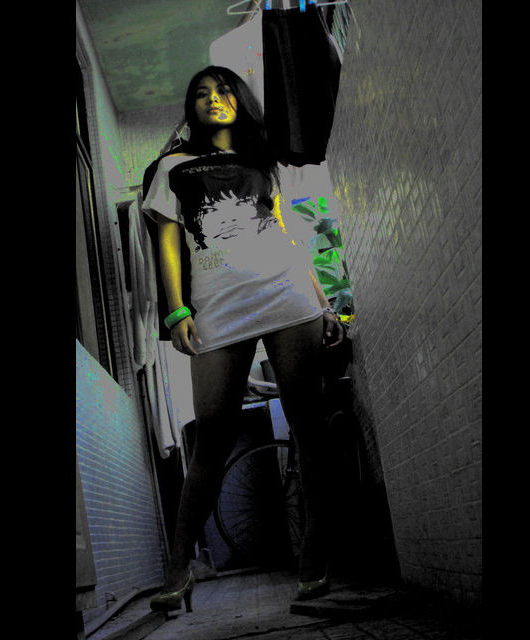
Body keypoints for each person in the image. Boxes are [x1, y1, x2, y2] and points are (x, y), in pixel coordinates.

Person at [142, 65, 344, 614]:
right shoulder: (173, 166)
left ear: (240, 100)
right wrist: (177, 311)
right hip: (219, 307)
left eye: (223, 90)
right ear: (192, 107)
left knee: (309, 427)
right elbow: (167, 240)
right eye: (202, 94)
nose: (214, 99)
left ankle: (314, 556)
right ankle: (178, 567)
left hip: (287, 296)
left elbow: (288, 233)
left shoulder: (264, 161)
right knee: (211, 437)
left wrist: (324, 302)